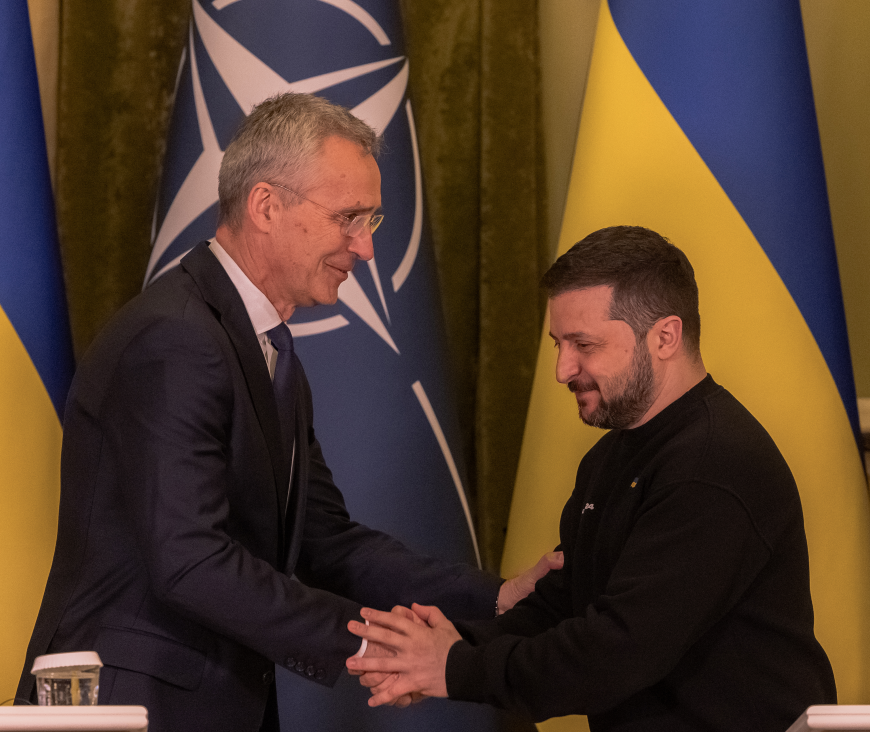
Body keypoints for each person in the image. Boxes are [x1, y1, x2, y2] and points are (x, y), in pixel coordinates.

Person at [17, 92, 559, 731]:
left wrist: (494, 600)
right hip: (131, 706)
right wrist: (374, 649)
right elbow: (189, 558)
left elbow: (325, 542)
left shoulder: (265, 348)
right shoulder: (178, 340)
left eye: (373, 222)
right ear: (266, 205)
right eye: (349, 218)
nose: (365, 249)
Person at [347, 226, 836, 732]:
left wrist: (453, 667)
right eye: (559, 344)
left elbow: (617, 650)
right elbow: (565, 607)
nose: (562, 369)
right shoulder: (610, 457)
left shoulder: (714, 464)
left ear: (664, 336)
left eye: (584, 344)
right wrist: (441, 646)